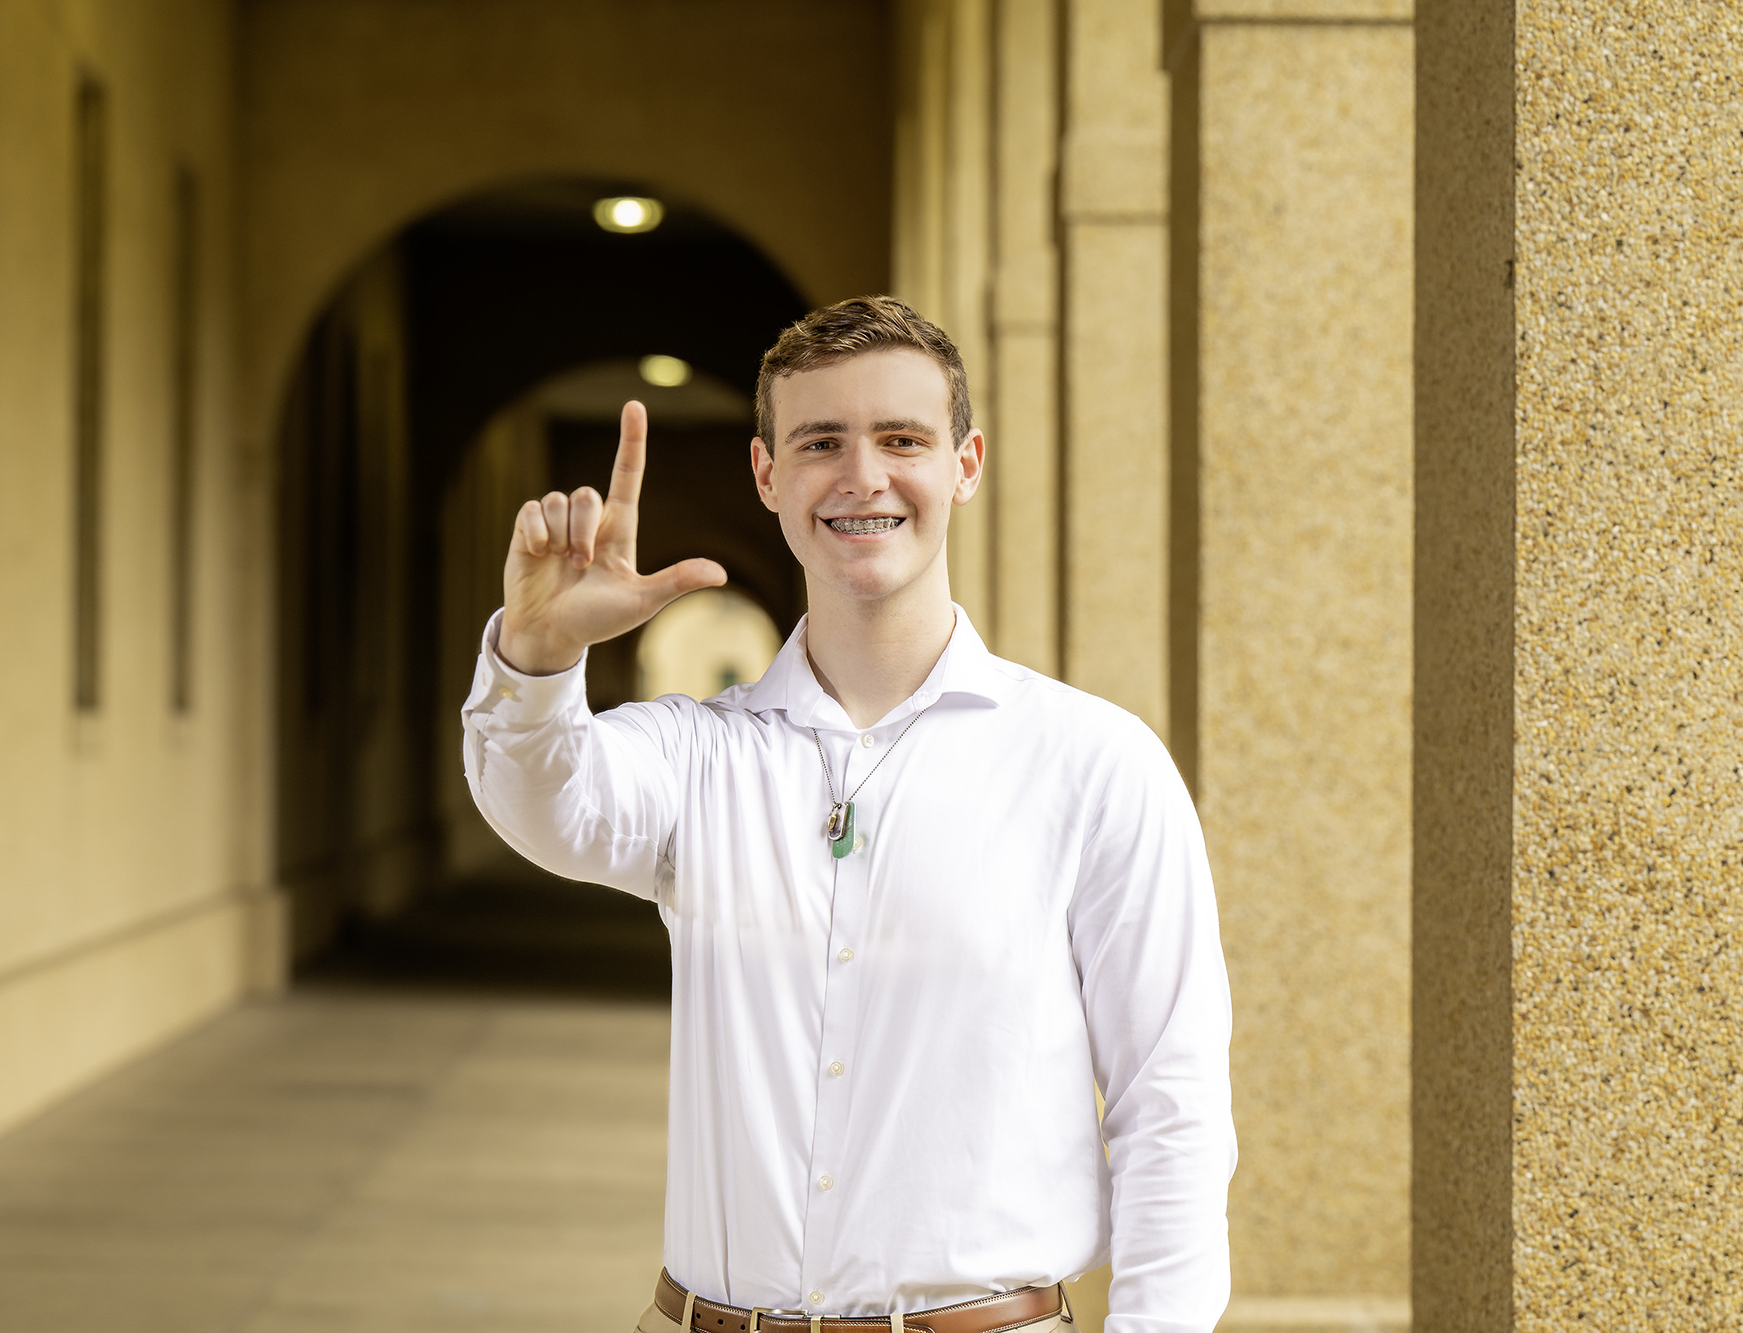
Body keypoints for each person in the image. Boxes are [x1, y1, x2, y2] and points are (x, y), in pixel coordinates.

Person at [462, 296, 1235, 1333]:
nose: (861, 477)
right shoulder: (697, 755)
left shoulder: (1091, 764)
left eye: (900, 440)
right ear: (766, 475)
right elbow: (544, 805)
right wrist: (539, 658)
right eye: (820, 441)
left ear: (964, 463)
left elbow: (1168, 1104)